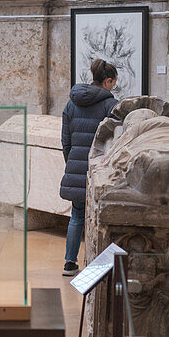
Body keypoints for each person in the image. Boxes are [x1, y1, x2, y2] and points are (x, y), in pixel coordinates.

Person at [59, 58, 119, 276]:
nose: (113, 87)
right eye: (113, 83)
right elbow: (115, 142)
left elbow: (65, 141)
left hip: (76, 166)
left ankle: (69, 263)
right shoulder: (110, 105)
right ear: (108, 81)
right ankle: (96, 266)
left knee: (76, 216)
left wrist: (72, 163)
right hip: (100, 169)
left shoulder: (71, 103)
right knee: (101, 219)